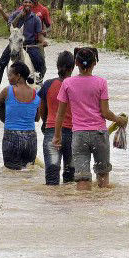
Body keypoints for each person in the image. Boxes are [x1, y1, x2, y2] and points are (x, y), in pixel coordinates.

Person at [52, 47, 127, 191]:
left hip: (79, 136)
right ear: (95, 63)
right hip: (99, 134)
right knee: (103, 177)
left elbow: (60, 114)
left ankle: (82, 211)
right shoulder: (101, 83)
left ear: (76, 64)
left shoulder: (67, 83)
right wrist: (118, 120)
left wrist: (57, 136)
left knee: (82, 178)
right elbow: (105, 112)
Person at [0, 0, 48, 92]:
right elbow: (10, 27)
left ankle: (38, 84)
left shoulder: (36, 18)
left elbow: (40, 35)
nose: (27, 4)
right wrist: (20, 15)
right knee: (1, 63)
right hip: (14, 43)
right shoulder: (15, 14)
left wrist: (43, 41)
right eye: (25, 2)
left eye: (29, 3)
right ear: (22, 4)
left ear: (32, 5)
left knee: (40, 63)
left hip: (29, 44)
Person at [0, 61, 41, 170]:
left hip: (11, 138)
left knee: (11, 175)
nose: (8, 78)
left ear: (18, 76)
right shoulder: (36, 94)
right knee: (27, 173)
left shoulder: (8, 91)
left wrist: (6, 109)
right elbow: (37, 118)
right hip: (31, 139)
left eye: (10, 75)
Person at [38, 51, 75, 185]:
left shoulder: (47, 84)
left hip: (51, 133)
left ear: (57, 66)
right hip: (73, 134)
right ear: (73, 67)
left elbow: (41, 109)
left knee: (52, 178)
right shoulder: (76, 85)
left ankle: (53, 206)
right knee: (71, 179)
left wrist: (46, 121)